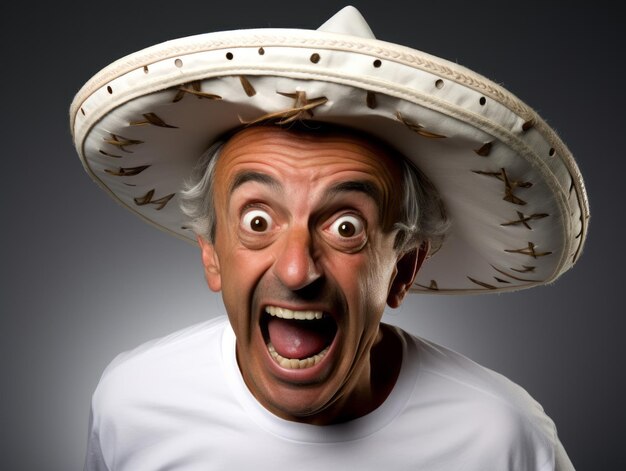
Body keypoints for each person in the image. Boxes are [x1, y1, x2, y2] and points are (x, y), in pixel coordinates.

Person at [70, 6, 589, 470]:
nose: (297, 270)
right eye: (257, 221)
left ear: (403, 268)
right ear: (211, 251)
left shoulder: (501, 440)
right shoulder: (133, 402)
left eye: (346, 228)